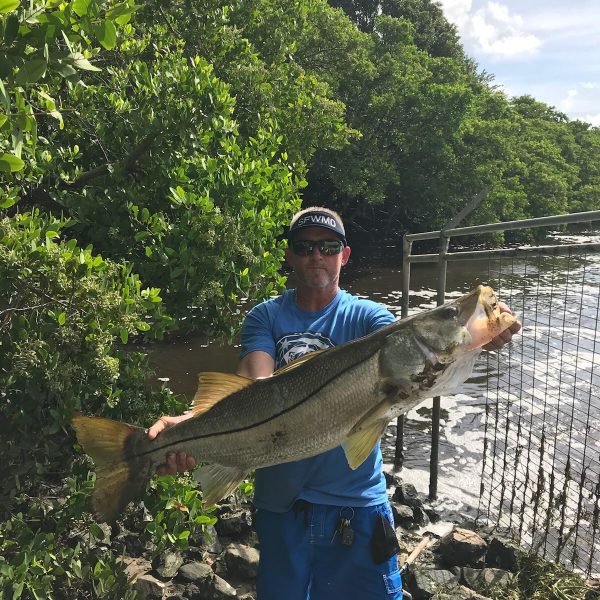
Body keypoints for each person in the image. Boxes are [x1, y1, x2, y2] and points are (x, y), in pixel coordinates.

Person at [147, 206, 521, 600]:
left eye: (328, 246)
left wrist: (477, 343)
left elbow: (418, 374)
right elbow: (252, 385)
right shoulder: (266, 316)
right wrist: (189, 426)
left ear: (344, 254)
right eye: (304, 247)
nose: (316, 255)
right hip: (281, 504)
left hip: (355, 503)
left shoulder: (371, 318)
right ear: (289, 256)